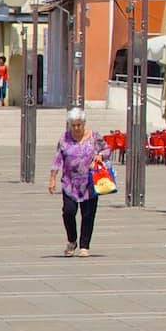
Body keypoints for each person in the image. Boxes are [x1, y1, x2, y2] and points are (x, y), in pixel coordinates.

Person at [48, 108, 107, 257]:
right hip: (70, 183)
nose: (76, 128)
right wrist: (53, 178)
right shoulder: (64, 139)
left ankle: (84, 246)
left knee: (88, 215)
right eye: (73, 125)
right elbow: (57, 159)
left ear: (83, 123)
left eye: (79, 125)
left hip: (89, 182)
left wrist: (100, 155)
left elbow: (107, 149)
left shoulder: (94, 137)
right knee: (68, 212)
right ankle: (72, 240)